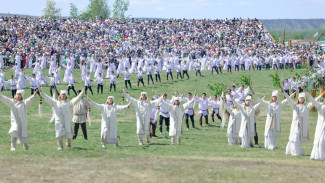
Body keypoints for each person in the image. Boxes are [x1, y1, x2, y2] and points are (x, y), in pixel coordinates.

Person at [282, 88, 322, 156]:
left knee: (298, 139)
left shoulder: (307, 106)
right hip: (295, 125)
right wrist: (284, 92)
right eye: (300, 98)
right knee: (294, 138)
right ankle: (295, 152)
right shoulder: (295, 106)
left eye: (303, 98)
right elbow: (289, 99)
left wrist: (320, 96)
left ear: (304, 99)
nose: (302, 99)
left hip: (302, 126)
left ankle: (298, 152)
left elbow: (314, 101)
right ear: (298, 99)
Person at [304, 87, 325, 160]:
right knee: (320, 140)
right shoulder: (319, 106)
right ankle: (318, 155)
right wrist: (306, 93)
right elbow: (312, 100)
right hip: (320, 126)